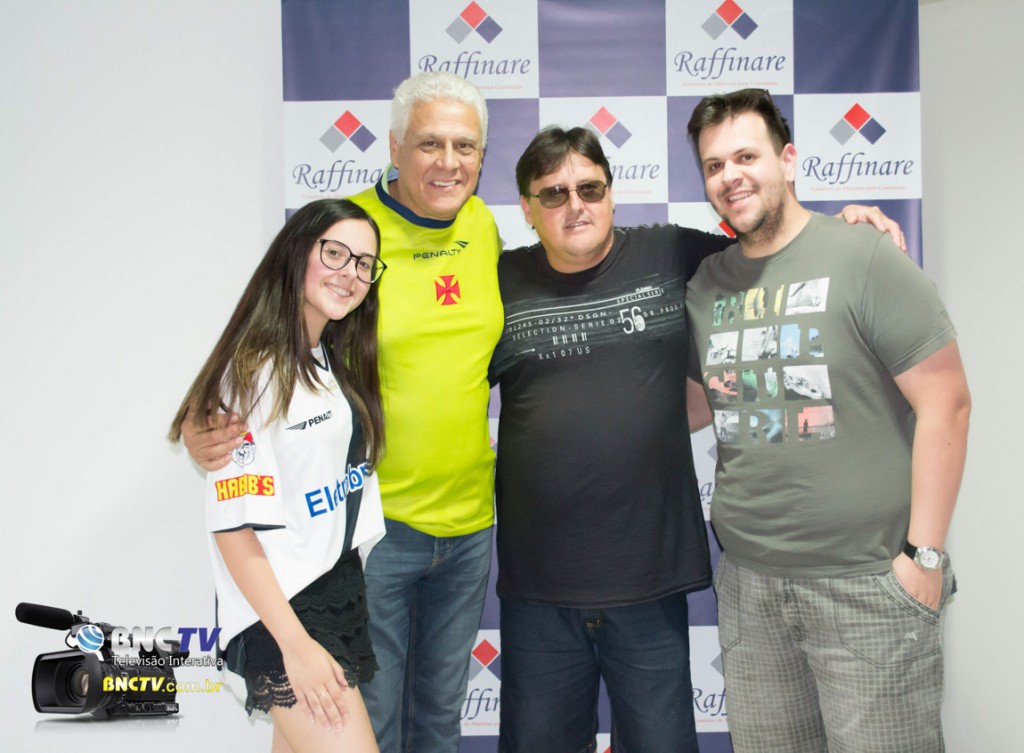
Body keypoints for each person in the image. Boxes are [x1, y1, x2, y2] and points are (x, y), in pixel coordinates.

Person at [489, 125, 905, 753]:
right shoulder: (498, 280)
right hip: (537, 587)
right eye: (553, 194)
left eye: (589, 188)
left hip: (650, 581)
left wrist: (842, 227)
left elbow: (773, 242)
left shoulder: (671, 253)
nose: (575, 205)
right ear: (526, 207)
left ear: (611, 193)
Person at [181, 72, 502, 753]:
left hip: (462, 528)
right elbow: (250, 368)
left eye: (465, 146)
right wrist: (201, 420)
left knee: (435, 725)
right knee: (362, 728)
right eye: (429, 143)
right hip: (369, 546)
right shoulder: (346, 230)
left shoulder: (482, 227)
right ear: (394, 146)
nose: (448, 161)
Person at [684, 88, 970, 753]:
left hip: (867, 584)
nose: (730, 176)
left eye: (746, 156)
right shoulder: (705, 285)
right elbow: (699, 404)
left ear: (788, 161)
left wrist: (923, 558)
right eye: (714, 165)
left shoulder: (863, 256)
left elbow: (947, 400)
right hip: (751, 589)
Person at [169, 198, 388, 753]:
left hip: (335, 589)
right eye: (335, 253)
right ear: (296, 253)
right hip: (285, 614)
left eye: (364, 263)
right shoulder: (252, 373)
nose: (351, 273)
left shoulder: (328, 355)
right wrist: (294, 643)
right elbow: (233, 528)